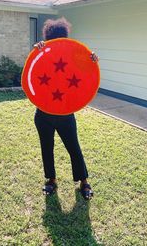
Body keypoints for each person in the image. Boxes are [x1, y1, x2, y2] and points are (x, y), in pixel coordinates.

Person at [34, 17, 99, 200]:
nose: (57, 44)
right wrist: (37, 52)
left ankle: (84, 181)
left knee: (74, 148)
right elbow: (32, 73)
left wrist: (92, 61)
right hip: (43, 113)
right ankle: (51, 180)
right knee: (46, 148)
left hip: (65, 113)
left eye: (61, 40)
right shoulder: (42, 53)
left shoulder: (72, 56)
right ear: (48, 39)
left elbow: (85, 72)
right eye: (53, 40)